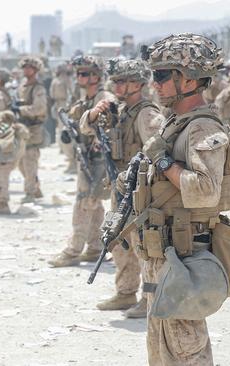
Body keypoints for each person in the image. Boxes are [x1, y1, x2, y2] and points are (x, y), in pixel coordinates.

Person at [139, 33, 230, 365]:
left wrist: (164, 163)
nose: (155, 84)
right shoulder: (174, 125)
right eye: (154, 75)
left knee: (185, 347)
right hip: (161, 253)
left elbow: (206, 190)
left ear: (190, 78)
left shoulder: (202, 128)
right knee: (160, 346)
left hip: (183, 254)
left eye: (163, 75)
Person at [85, 59, 164, 317]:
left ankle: (150, 299)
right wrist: (94, 113)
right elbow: (85, 127)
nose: (118, 86)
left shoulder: (146, 114)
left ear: (139, 83)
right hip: (120, 189)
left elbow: (159, 150)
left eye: (124, 81)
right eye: (116, 81)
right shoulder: (117, 109)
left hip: (139, 193)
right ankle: (125, 292)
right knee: (119, 244)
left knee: (144, 247)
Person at [48, 55, 116, 267]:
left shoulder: (104, 98)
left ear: (96, 76)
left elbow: (111, 128)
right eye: (78, 73)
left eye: (84, 73)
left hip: (99, 158)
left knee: (85, 201)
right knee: (93, 204)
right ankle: (95, 247)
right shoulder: (86, 98)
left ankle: (73, 250)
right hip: (87, 155)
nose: (79, 77)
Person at [11, 56, 48, 203]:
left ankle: (30, 192)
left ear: (35, 70)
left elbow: (39, 108)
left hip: (33, 128)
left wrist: (21, 109)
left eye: (29, 68)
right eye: (24, 67)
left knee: (29, 160)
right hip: (21, 128)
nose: (26, 70)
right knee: (20, 162)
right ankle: (35, 187)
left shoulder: (38, 88)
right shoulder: (22, 86)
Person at [50, 63, 75, 173]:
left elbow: (72, 92)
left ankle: (72, 159)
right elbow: (52, 93)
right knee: (60, 130)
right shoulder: (55, 80)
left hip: (65, 105)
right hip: (58, 104)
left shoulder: (67, 80)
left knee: (66, 131)